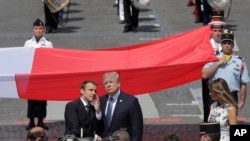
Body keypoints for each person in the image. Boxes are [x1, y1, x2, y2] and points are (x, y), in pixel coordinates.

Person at [202, 29, 250, 112]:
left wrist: (242, 102)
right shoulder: (214, 58)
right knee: (215, 123)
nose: (227, 45)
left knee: (231, 122)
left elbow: (243, 84)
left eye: (229, 43)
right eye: (224, 43)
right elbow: (204, 75)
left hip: (231, 96)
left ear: (232, 45)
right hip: (216, 96)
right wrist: (217, 64)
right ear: (221, 44)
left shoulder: (240, 61)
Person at [24, 18, 53, 130]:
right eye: (36, 28)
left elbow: (51, 59)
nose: (38, 31)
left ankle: (41, 120)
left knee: (42, 99)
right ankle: (31, 120)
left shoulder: (48, 43)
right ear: (33, 29)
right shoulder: (28, 43)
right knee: (31, 99)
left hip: (42, 75)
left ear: (43, 29)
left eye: (40, 28)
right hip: (31, 74)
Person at [99, 72, 143, 141]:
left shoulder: (130, 101)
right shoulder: (101, 100)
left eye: (111, 82)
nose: (108, 85)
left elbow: (137, 128)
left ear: (118, 83)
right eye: (105, 83)